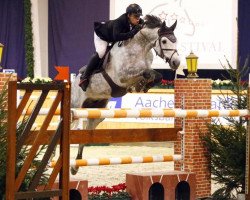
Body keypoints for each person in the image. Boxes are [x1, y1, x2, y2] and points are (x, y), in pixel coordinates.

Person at [79, 3, 144, 91]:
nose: (138, 19)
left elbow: (143, 25)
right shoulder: (120, 22)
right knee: (101, 52)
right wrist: (133, 32)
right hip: (102, 35)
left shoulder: (138, 21)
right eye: (135, 16)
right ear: (128, 15)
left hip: (112, 37)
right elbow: (117, 36)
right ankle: (84, 77)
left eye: (139, 16)